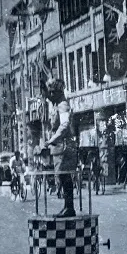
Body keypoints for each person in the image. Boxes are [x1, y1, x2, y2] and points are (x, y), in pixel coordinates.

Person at [41, 77, 78, 217]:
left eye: (52, 92)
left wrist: (51, 140)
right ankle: (67, 206)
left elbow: (64, 125)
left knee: (65, 176)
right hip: (59, 147)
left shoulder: (63, 105)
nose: (50, 95)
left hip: (64, 146)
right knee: (62, 177)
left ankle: (70, 207)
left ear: (58, 92)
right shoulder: (56, 105)